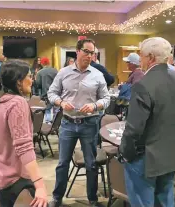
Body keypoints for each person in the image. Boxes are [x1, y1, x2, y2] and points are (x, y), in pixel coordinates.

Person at [118, 37, 175, 207]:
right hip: (171, 154)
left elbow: (134, 129)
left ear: (150, 57)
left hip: (145, 158)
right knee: (165, 202)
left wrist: (125, 154)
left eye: (141, 55)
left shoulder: (143, 84)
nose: (140, 59)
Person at [47, 39, 110, 207]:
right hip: (67, 124)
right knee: (62, 163)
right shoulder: (63, 73)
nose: (90, 56)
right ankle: (57, 198)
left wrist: (95, 105)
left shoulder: (97, 75)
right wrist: (60, 102)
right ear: (78, 51)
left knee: (91, 163)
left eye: (93, 53)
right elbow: (51, 93)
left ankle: (92, 199)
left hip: (89, 124)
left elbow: (106, 98)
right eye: (87, 52)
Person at [0, 60, 48, 207]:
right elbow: (24, 147)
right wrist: (40, 186)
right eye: (29, 76)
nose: (32, 79)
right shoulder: (17, 103)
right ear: (18, 82)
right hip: (15, 177)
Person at [36, 57, 58, 123]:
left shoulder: (40, 72)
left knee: (47, 110)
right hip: (55, 94)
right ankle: (54, 124)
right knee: (55, 110)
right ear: (49, 62)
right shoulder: (55, 71)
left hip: (45, 94)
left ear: (42, 63)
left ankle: (48, 124)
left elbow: (38, 84)